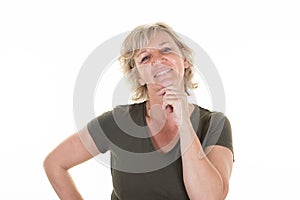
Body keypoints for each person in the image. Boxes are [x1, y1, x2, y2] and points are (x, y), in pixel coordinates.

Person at [44, 22, 234, 200]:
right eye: (145, 57)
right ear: (139, 76)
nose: (157, 60)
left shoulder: (214, 124)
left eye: (166, 49)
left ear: (184, 61)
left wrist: (184, 124)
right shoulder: (117, 121)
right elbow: (55, 163)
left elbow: (209, 197)